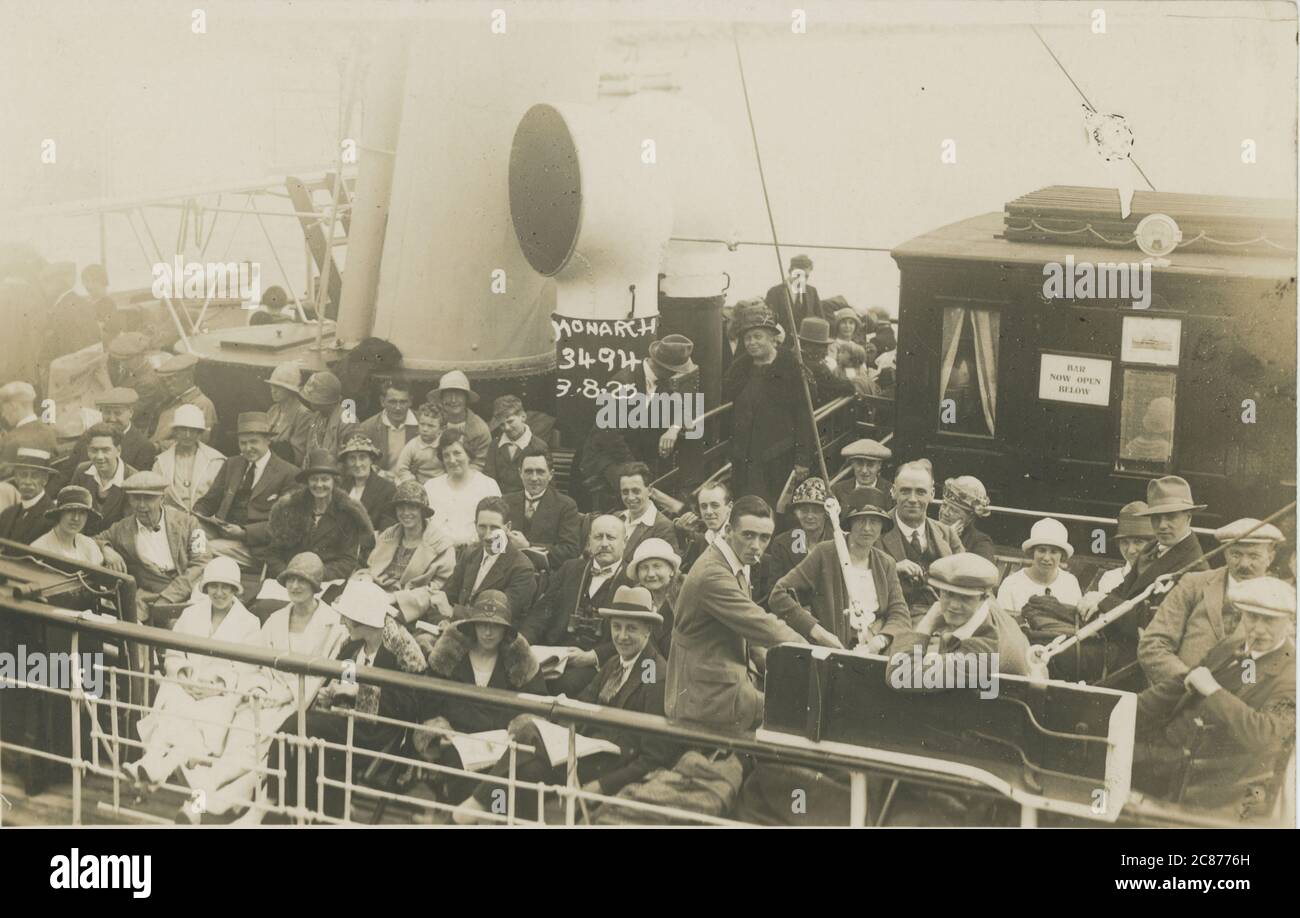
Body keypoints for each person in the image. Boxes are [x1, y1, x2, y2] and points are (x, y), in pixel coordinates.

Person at [451, 585, 676, 824]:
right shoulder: (613, 663)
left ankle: (472, 807)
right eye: (616, 627)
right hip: (586, 752)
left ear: (648, 631)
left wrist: (601, 785)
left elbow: (653, 756)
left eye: (631, 628)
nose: (622, 636)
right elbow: (581, 703)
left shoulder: (654, 674)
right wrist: (558, 706)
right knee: (526, 770)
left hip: (611, 766)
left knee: (530, 732)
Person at [183, 552, 346, 823]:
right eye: (291, 579)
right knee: (238, 750)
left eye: (302, 581)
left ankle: (215, 806)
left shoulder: (333, 626)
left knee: (264, 756)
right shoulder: (275, 619)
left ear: (316, 585)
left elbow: (324, 676)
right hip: (265, 698)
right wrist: (258, 688)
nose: (294, 586)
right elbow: (256, 665)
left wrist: (288, 694)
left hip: (300, 705)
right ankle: (213, 804)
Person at [664, 496, 830, 730]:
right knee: (806, 715)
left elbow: (751, 639)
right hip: (706, 700)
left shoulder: (732, 562)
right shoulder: (713, 574)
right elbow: (764, 626)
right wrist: (822, 650)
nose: (756, 546)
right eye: (748, 535)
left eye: (764, 538)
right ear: (729, 530)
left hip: (721, 686)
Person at [1132, 576, 1295, 812]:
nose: (1258, 628)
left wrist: (1213, 690)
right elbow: (1182, 683)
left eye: (1269, 620)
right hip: (1170, 747)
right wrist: (1121, 709)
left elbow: (1266, 735)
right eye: (1251, 617)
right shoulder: (1232, 645)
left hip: (1210, 774)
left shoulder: (1291, 675)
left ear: (1290, 622)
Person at [274, 578, 425, 821]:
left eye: (347, 616)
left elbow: (410, 706)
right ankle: (300, 809)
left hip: (381, 733)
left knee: (299, 725)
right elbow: (344, 679)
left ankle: (278, 804)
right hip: (347, 720)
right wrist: (331, 691)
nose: (342, 621)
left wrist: (359, 694)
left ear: (364, 619)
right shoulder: (353, 646)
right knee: (308, 736)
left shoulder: (401, 648)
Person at [123, 557, 261, 790]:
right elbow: (175, 652)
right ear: (206, 588)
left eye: (225, 587)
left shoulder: (250, 622)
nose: (219, 592)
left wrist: (216, 686)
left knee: (205, 718)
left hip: (222, 692)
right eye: (214, 586)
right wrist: (183, 677)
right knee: (173, 699)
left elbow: (247, 669)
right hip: (187, 682)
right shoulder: (192, 614)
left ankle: (159, 770)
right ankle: (150, 761)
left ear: (235, 589)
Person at [412, 590, 548, 806]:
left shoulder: (520, 658)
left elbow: (537, 703)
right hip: (457, 738)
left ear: (505, 629)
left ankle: (484, 817)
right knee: (458, 769)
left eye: (495, 625)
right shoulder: (449, 653)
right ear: (472, 625)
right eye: (482, 624)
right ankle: (464, 816)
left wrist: (516, 733)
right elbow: (428, 698)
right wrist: (440, 731)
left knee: (503, 778)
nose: (488, 632)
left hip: (501, 742)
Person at [1140, 518, 1286, 686]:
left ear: (1270, 557)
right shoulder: (1193, 584)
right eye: (1236, 554)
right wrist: (1188, 679)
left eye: (1254, 556)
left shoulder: (1283, 600)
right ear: (1225, 552)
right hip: (1183, 698)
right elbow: (1152, 645)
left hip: (1243, 705)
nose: (1244, 564)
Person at [769, 488, 910, 653]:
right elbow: (778, 595)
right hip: (832, 652)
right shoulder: (825, 553)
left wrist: (880, 640)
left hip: (875, 651)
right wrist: (816, 631)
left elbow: (900, 613)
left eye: (874, 521)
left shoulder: (886, 563)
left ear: (882, 526)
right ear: (850, 523)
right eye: (860, 520)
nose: (867, 528)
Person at [1077, 476, 1209, 647]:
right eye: (1156, 517)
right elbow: (1125, 589)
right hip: (1116, 633)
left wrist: (1104, 602)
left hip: (1138, 653)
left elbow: (1158, 623)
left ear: (1188, 517)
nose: (1162, 525)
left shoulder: (1196, 568)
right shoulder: (1152, 547)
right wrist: (1095, 600)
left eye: (1170, 517)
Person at [886, 552, 1032, 688]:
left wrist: (927, 624)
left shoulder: (983, 651)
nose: (954, 605)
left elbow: (899, 676)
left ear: (984, 598)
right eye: (948, 594)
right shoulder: (991, 611)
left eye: (966, 597)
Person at [522, 515, 633, 694]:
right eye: (598, 537)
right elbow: (541, 613)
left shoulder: (631, 579)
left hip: (596, 663)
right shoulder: (570, 568)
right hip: (554, 655)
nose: (604, 543)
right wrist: (522, 644)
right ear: (589, 541)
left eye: (611, 537)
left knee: (566, 685)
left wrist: (593, 657)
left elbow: (634, 636)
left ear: (625, 542)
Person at [723, 303, 814, 507]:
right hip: (744, 456)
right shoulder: (740, 369)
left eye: (758, 336)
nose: (751, 342)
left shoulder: (791, 367)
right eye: (747, 338)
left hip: (778, 455)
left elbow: (803, 416)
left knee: (773, 507)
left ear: (773, 338)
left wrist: (802, 459)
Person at [95, 471, 209, 623]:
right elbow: (92, 541)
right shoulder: (121, 529)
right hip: (146, 596)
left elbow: (202, 562)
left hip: (188, 592)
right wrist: (106, 548)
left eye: (149, 498)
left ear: (162, 498)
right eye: (135, 498)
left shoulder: (189, 523)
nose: (141, 505)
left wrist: (170, 597)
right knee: (130, 630)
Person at [193, 411, 300, 569]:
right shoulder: (232, 464)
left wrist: (245, 532)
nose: (248, 448)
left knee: (202, 549)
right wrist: (196, 517)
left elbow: (286, 524)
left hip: (257, 545)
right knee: (187, 536)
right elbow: (209, 502)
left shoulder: (288, 473)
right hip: (223, 531)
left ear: (268, 440)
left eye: (253, 442)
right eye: (243, 443)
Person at [261, 449, 374, 582]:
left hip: (327, 580)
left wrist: (315, 575)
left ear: (334, 482)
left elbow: (348, 561)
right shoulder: (290, 509)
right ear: (307, 482)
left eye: (325, 479)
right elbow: (273, 553)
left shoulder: (347, 513)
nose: (319, 485)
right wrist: (287, 574)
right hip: (288, 579)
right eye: (314, 479)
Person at [357, 480, 456, 624]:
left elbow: (439, 587)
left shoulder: (440, 544)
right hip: (378, 599)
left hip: (414, 611)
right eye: (401, 508)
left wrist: (396, 598)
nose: (406, 513)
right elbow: (371, 567)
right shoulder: (388, 536)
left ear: (422, 511)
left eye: (412, 507)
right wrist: (365, 578)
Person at [434, 496, 538, 627]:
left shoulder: (522, 568)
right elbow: (444, 596)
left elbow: (499, 616)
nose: (488, 535)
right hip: (454, 630)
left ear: (508, 527)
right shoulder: (470, 554)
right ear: (475, 525)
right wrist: (441, 621)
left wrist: (453, 612)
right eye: (482, 527)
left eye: (494, 528)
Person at [878, 459, 963, 616]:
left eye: (920, 492)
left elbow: (967, 576)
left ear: (932, 494)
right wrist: (891, 568)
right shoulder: (876, 531)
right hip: (893, 619)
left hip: (944, 618)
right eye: (905, 491)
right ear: (893, 492)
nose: (912, 499)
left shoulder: (947, 534)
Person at [606, 334, 701, 467]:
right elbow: (611, 437)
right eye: (675, 371)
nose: (676, 374)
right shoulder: (622, 383)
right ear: (665, 369)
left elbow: (683, 407)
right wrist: (636, 470)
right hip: (611, 461)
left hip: (639, 458)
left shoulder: (663, 380)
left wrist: (673, 429)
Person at [422, 428, 501, 548]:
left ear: (469, 455)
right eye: (446, 455)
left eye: (457, 453)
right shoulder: (431, 486)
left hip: (475, 554)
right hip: (435, 553)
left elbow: (497, 530)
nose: (452, 460)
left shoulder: (488, 485)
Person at [503, 452, 582, 570]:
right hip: (508, 570)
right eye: (528, 471)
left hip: (545, 575)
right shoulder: (506, 502)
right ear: (520, 473)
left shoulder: (566, 505)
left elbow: (570, 551)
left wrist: (528, 546)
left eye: (540, 472)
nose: (534, 478)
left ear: (551, 474)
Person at [759, 475, 831, 597]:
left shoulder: (840, 541)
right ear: (796, 513)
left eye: (816, 510)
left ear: (826, 513)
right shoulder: (782, 543)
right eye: (804, 510)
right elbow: (774, 590)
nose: (809, 516)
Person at [996, 517, 1081, 616]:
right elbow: (1003, 625)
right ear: (1032, 552)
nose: (1046, 558)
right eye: (1042, 550)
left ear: (1061, 555)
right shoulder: (1011, 584)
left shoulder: (1070, 583)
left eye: (1053, 552)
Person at [151, 403, 225, 515]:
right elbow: (155, 499)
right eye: (183, 429)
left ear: (200, 433)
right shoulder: (161, 463)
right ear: (175, 431)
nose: (187, 435)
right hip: (171, 523)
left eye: (193, 430)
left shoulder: (216, 461)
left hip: (206, 524)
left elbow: (222, 500)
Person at [67, 422, 138, 536]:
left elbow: (128, 529)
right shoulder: (82, 471)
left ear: (118, 450)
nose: (99, 457)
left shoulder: (133, 480)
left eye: (106, 450)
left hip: (115, 546)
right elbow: (72, 511)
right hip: (82, 541)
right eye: (94, 450)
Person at [71, 387, 158, 472]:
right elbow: (68, 475)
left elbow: (140, 483)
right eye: (107, 412)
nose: (112, 419)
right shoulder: (88, 437)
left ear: (131, 413)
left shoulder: (144, 447)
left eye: (118, 413)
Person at [338, 433, 397, 548]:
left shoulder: (387, 489)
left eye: (362, 457)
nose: (357, 464)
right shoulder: (341, 486)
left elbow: (388, 531)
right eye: (352, 458)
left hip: (370, 550)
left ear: (371, 459)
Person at [483, 395, 549, 496]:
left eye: (510, 421)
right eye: (502, 424)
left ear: (523, 416)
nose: (507, 428)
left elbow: (545, 484)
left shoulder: (538, 446)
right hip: (499, 501)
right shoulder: (495, 445)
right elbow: (489, 480)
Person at [626, 538, 680, 657]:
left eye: (657, 566)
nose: (650, 574)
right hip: (648, 669)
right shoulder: (636, 601)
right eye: (644, 568)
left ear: (671, 570)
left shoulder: (685, 599)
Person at [150, 353, 217, 450]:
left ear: (188, 377)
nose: (168, 383)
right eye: (166, 379)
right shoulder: (173, 400)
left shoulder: (202, 404)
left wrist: (157, 447)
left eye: (173, 378)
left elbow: (198, 441)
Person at [616, 461, 678, 563]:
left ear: (649, 490)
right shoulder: (616, 518)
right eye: (625, 492)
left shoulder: (663, 527)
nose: (630, 497)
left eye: (636, 491)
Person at [106, 332, 166, 435]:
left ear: (140, 356)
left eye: (127, 360)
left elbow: (130, 414)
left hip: (136, 428)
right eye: (121, 360)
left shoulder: (148, 382)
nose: (123, 363)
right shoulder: (133, 370)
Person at [429, 370, 490, 471]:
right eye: (448, 394)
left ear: (466, 398)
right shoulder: (432, 422)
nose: (453, 400)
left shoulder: (480, 429)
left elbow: (480, 464)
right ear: (441, 398)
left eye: (458, 394)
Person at [353, 380, 419, 474]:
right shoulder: (367, 428)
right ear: (382, 401)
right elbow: (359, 463)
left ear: (410, 401)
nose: (398, 407)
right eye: (392, 402)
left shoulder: (423, 424)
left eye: (403, 402)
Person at [31, 485, 105, 565]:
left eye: (82, 513)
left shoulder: (90, 546)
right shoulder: (39, 548)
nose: (76, 518)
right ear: (59, 514)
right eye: (70, 511)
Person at [1094, 501, 1155, 594]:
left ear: (1153, 543)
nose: (1131, 550)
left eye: (1138, 542)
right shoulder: (1111, 579)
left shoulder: (1163, 575)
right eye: (1124, 542)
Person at [0, 446, 57, 543]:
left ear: (45, 479)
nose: (27, 481)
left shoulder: (52, 517)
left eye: (34, 476)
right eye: (23, 475)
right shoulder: (7, 514)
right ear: (16, 478)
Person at [674, 481, 732, 574]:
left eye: (715, 505)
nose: (708, 511)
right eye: (704, 506)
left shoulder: (738, 536)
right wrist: (679, 529)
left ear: (729, 507)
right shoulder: (705, 537)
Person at [796, 317, 856, 405]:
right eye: (823, 346)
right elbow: (847, 387)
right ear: (813, 346)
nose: (825, 350)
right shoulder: (818, 367)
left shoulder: (795, 359)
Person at [765, 253, 823, 343]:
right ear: (791, 270)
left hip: (805, 345)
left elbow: (820, 319)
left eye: (806, 276)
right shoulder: (774, 292)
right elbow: (769, 321)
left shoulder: (812, 292)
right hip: (782, 344)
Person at [936, 475, 995, 562]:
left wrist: (952, 541)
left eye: (954, 510)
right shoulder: (929, 529)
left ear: (970, 518)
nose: (945, 512)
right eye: (944, 505)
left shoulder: (980, 542)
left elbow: (981, 572)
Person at [265, 361, 312, 464]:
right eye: (272, 386)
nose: (273, 390)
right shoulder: (273, 410)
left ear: (290, 390)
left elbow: (297, 455)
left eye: (278, 387)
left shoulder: (303, 415)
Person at [830, 438, 893, 506]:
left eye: (870, 465)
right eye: (859, 464)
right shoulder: (837, 490)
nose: (864, 470)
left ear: (879, 465)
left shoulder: (890, 491)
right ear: (852, 464)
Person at [0, 380, 57, 455]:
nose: (3, 415)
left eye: (3, 409)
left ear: (13, 406)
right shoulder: (49, 432)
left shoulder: (11, 441)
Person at [300, 370, 347, 462]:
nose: (310, 401)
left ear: (328, 400)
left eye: (315, 398)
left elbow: (346, 459)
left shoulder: (346, 421)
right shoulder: (316, 416)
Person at [395, 402, 445, 484]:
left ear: (441, 429)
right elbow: (401, 468)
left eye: (431, 426)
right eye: (422, 424)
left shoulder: (444, 444)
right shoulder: (413, 445)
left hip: (441, 484)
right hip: (419, 484)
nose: (425, 429)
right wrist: (412, 482)